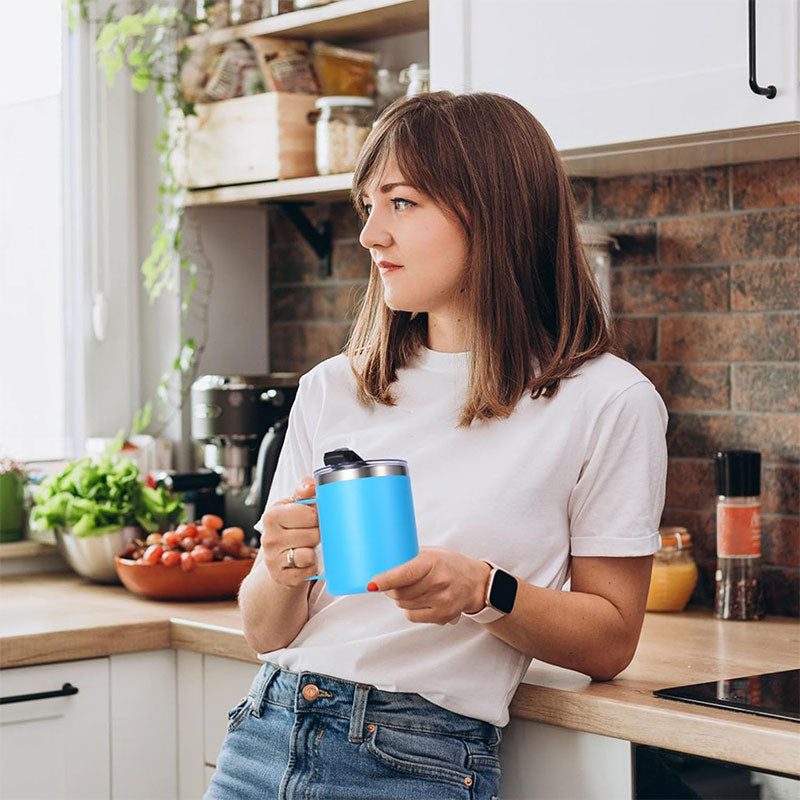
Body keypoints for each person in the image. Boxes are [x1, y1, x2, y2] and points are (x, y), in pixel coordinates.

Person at [205, 91, 668, 800]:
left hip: (412, 760)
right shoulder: (335, 387)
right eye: (368, 205)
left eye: (401, 203)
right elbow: (268, 633)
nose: (369, 235)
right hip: (264, 734)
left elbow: (609, 641)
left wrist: (483, 591)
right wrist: (282, 563)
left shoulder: (607, 399)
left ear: (494, 212)